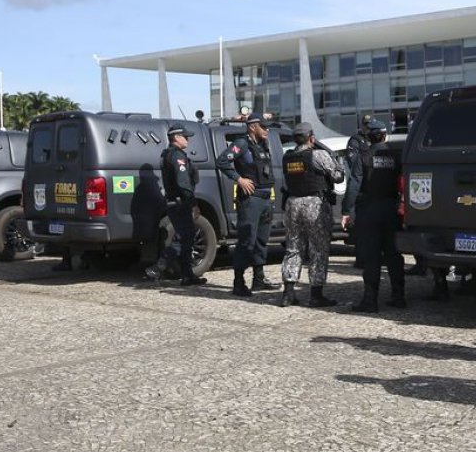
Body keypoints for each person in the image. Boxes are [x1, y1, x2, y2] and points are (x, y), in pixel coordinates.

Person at [277, 122, 344, 307]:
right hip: (314, 204)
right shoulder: (318, 155)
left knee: (293, 247)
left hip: (292, 204)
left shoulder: (287, 157)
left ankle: (288, 294)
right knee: (318, 249)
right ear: (311, 137)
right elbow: (338, 176)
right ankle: (316, 295)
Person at [341, 118, 404, 312]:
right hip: (392, 209)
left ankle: (370, 300)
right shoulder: (396, 156)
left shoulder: (364, 156)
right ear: (385, 135)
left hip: (370, 210)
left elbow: (354, 184)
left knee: (371, 256)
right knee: (394, 254)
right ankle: (399, 296)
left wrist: (346, 210)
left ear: (368, 137)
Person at [216, 113, 279, 297]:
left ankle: (258, 279)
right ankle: (238, 282)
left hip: (265, 198)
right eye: (263, 127)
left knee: (261, 240)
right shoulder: (242, 143)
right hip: (251, 201)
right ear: (252, 127)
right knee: (246, 241)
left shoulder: (262, 144)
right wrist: (239, 179)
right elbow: (222, 161)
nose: (267, 130)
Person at [147, 124, 206, 287]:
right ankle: (158, 268)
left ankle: (187, 275)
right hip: (181, 203)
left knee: (187, 238)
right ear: (176, 138)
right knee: (184, 238)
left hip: (175, 202)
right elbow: (183, 182)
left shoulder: (168, 154)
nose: (187, 139)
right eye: (185, 136)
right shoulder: (176, 156)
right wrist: (193, 202)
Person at [345, 113, 372, 269]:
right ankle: (361, 258)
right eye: (366, 125)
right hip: (361, 187)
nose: (368, 128)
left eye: (370, 125)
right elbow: (352, 161)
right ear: (362, 125)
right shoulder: (356, 140)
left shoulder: (374, 138)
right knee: (360, 227)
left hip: (373, 187)